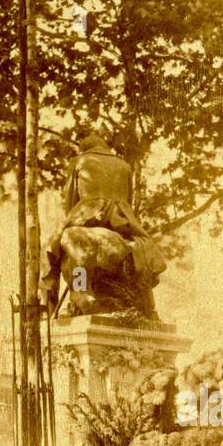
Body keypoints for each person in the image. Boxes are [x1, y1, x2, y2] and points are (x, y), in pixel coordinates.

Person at [42, 128, 165, 319]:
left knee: (54, 249)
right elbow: (128, 202)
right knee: (141, 250)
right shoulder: (124, 166)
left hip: (88, 214)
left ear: (85, 149)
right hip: (123, 223)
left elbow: (70, 201)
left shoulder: (78, 162)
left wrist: (75, 219)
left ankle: (72, 297)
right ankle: (149, 305)